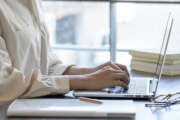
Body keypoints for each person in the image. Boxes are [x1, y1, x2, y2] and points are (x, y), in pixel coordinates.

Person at [0, 0, 130, 106]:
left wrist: (92, 72)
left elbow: (46, 66)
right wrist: (86, 80)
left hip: (35, 108)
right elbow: (6, 83)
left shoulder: (32, 3)